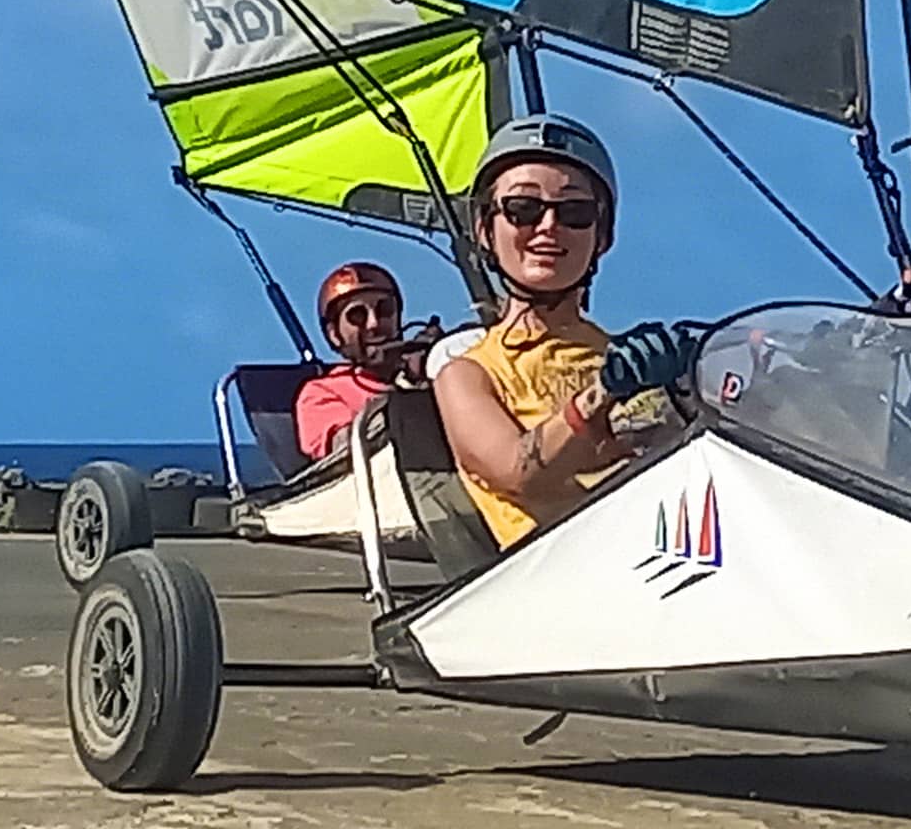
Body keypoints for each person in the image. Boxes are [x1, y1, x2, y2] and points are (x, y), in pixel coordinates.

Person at [433, 114, 692, 547]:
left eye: (575, 212)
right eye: (523, 209)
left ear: (602, 235)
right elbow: (520, 472)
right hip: (561, 571)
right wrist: (603, 392)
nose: (549, 226)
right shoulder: (468, 373)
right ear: (485, 229)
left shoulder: (634, 356)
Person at [294, 262, 432, 462]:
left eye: (384, 310)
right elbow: (347, 449)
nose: (373, 323)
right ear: (334, 334)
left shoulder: (432, 371)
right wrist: (408, 391)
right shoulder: (321, 392)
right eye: (357, 315)